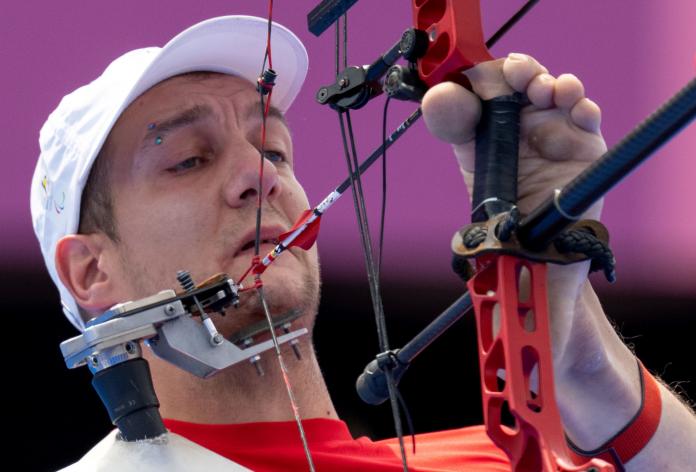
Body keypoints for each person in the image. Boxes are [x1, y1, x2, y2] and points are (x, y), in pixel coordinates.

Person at [31, 15, 695, 472]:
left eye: (274, 149)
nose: (260, 177)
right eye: (189, 160)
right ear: (91, 270)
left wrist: (573, 341)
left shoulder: (499, 457)